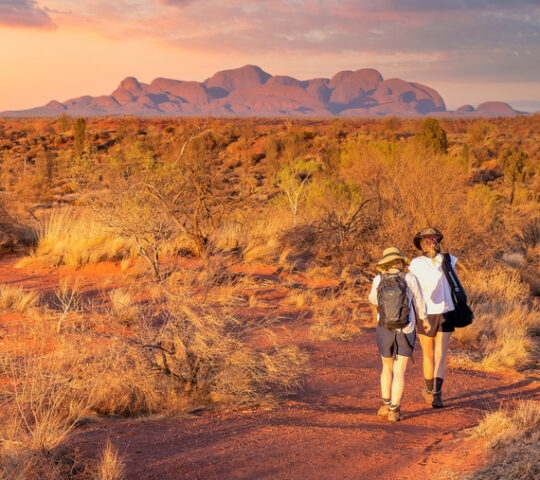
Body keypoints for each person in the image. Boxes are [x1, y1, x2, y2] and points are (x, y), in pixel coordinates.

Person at [368, 247, 428, 422]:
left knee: (386, 367)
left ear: (385, 263)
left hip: (384, 328)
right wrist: (424, 319)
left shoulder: (378, 279)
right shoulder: (409, 278)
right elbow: (419, 301)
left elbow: (372, 300)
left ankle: (385, 405)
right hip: (406, 328)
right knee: (399, 370)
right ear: (401, 261)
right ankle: (394, 410)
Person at [408, 227, 456, 409]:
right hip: (446, 310)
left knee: (428, 355)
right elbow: (455, 285)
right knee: (440, 355)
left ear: (421, 243)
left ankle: (429, 391)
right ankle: (437, 395)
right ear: (437, 241)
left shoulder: (416, 263)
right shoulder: (449, 259)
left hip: (425, 313)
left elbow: (412, 287)